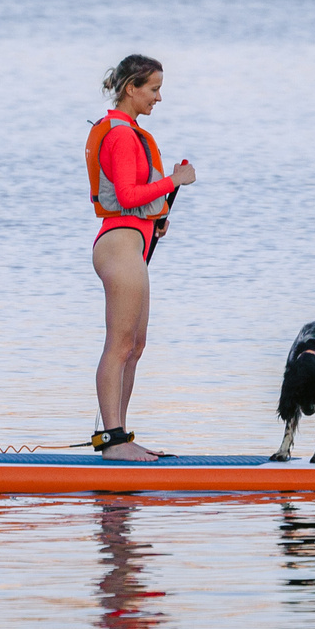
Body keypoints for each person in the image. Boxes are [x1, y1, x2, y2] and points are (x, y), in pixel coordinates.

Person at [87, 54, 196, 462]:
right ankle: (113, 442)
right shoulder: (118, 135)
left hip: (132, 242)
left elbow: (133, 200)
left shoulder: (131, 132)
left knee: (136, 345)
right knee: (119, 344)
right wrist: (174, 180)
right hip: (118, 246)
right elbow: (129, 198)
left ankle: (121, 437)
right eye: (153, 89)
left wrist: (159, 219)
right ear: (130, 88)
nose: (159, 97)